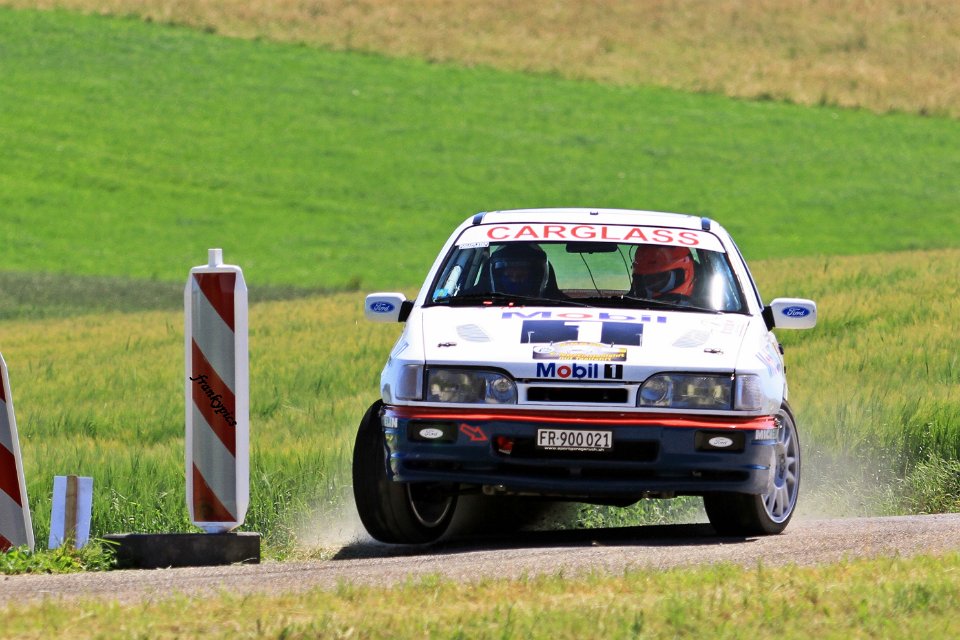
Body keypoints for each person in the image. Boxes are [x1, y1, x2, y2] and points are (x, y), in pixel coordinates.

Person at [631, 245, 696, 299]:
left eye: (660, 276)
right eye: (648, 278)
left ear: (682, 275)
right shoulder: (630, 303)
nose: (655, 282)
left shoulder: (697, 307)